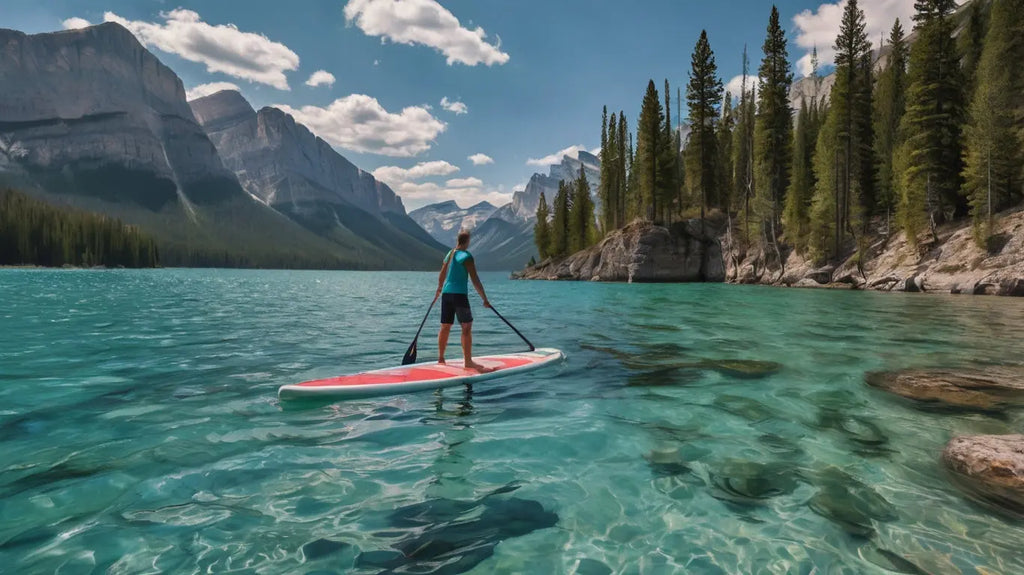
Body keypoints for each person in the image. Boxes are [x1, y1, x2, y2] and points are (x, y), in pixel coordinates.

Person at [436, 229, 493, 372]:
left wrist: (439, 289)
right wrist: (484, 299)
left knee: (445, 326)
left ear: (458, 241)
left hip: (446, 294)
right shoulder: (467, 256)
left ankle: (441, 358)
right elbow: (475, 279)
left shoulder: (450, 253)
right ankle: (468, 362)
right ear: (467, 241)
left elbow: (442, 273)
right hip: (459, 295)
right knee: (466, 327)